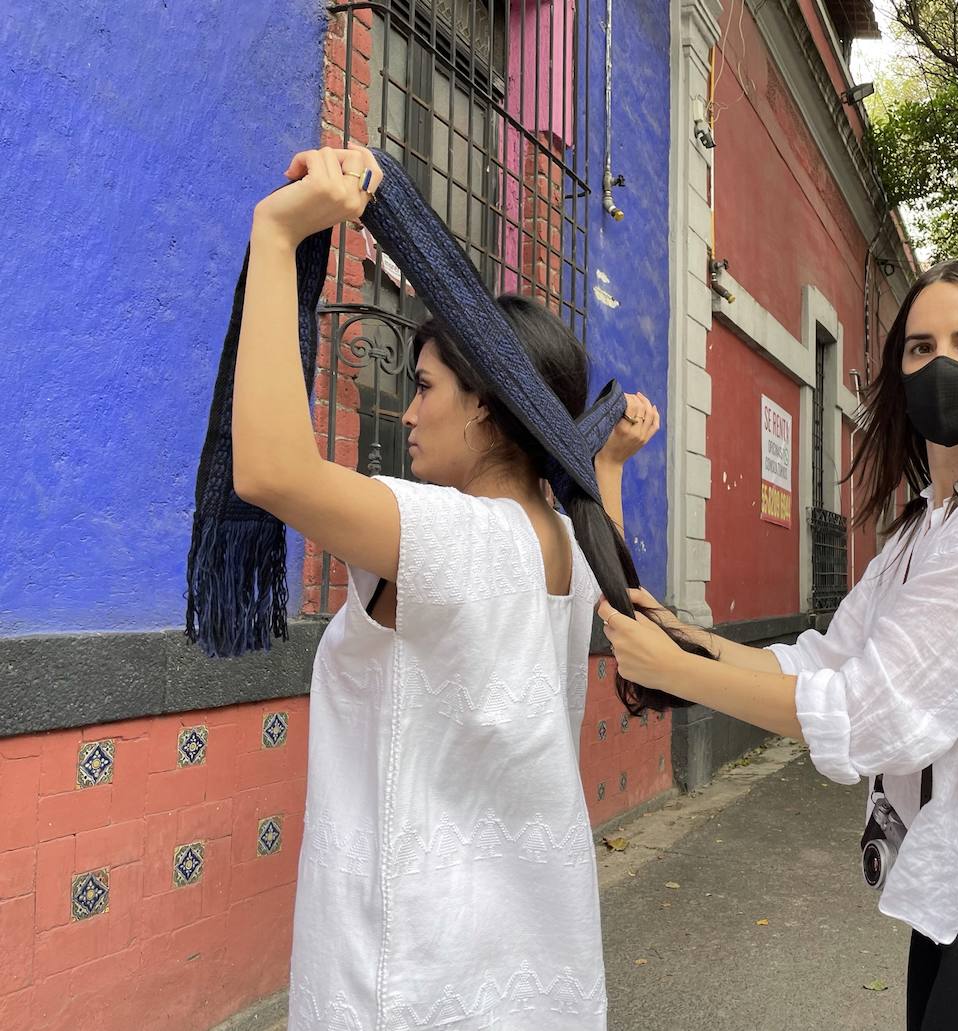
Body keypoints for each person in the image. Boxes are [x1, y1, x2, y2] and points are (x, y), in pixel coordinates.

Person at [598, 260, 958, 1029]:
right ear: (898, 375)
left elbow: (871, 711)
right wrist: (694, 643)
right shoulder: (929, 526)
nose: (943, 365)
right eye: (920, 347)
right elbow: (826, 660)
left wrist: (680, 674)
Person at [234, 144, 672, 1030]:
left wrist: (276, 238)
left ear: (483, 403)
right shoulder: (564, 545)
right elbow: (603, 543)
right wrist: (611, 464)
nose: (407, 409)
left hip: (409, 969)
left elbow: (273, 470)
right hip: (532, 962)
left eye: (423, 384)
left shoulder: (453, 535)